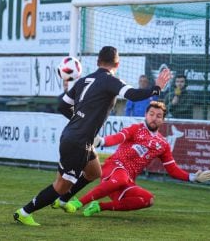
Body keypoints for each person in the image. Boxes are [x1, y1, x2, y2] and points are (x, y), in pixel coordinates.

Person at [13, 46, 172, 226]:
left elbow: (62, 105)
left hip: (76, 137)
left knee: (94, 171)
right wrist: (157, 87)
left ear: (98, 62)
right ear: (117, 64)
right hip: (78, 141)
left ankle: (64, 200)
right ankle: (24, 212)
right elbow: (133, 95)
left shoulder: (84, 80)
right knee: (61, 185)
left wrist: (80, 119)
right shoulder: (110, 81)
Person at [57, 101, 210, 216]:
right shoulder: (136, 128)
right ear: (146, 115)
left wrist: (193, 177)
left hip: (126, 180)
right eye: (151, 114)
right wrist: (103, 141)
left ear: (163, 120)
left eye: (158, 116)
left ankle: (99, 206)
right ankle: (77, 203)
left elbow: (172, 169)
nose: (154, 118)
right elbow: (119, 137)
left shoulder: (163, 144)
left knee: (148, 199)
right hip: (113, 168)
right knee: (121, 179)